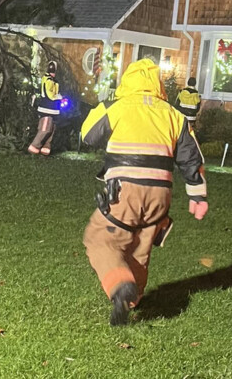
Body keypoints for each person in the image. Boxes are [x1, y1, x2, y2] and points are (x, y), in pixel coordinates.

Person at [80, 58, 207, 326]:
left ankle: (120, 286)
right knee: (141, 245)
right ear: (157, 85)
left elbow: (88, 135)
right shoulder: (174, 115)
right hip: (161, 193)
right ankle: (131, 299)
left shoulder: (118, 106)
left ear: (128, 81)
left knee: (99, 238)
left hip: (125, 189)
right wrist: (198, 195)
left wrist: (104, 107)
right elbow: (191, 157)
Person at [28, 61, 61, 155]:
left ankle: (46, 146)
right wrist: (57, 98)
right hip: (47, 107)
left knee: (52, 129)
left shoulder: (52, 80)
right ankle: (35, 145)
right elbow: (49, 94)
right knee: (45, 128)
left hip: (53, 108)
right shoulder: (48, 80)